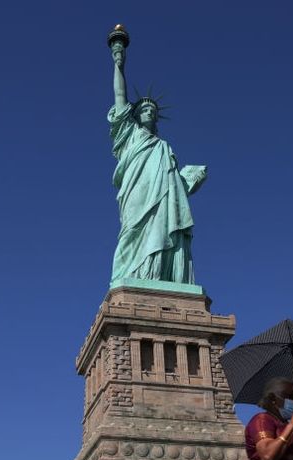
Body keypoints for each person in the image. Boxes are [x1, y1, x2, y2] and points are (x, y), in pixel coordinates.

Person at [107, 31, 207, 286]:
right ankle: (133, 276)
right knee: (132, 233)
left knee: (163, 229)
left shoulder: (163, 146)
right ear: (136, 115)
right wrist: (118, 63)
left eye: (152, 109)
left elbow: (176, 186)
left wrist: (189, 180)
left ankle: (161, 276)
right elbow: (120, 96)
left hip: (162, 197)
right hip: (136, 195)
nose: (148, 111)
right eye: (143, 108)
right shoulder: (128, 135)